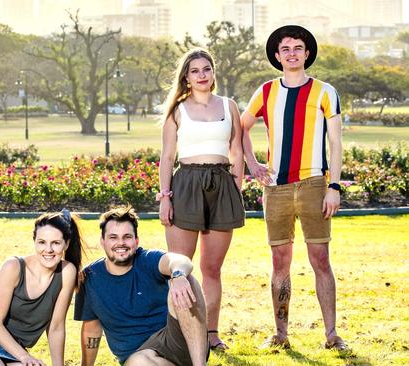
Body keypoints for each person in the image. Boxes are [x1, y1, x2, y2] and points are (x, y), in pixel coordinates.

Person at [241, 25, 349, 351]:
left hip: (315, 184)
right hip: (276, 188)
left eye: (297, 48)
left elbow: (336, 143)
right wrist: (252, 164)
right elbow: (241, 127)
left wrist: (334, 186)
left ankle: (331, 334)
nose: (291, 53)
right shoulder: (265, 92)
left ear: (306, 53)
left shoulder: (325, 92)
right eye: (285, 48)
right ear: (277, 55)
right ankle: (281, 334)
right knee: (280, 262)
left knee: (321, 259)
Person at [157, 48, 245, 351]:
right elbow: (167, 157)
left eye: (206, 69)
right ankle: (177, 332)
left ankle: (210, 333)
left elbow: (237, 149)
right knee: (180, 267)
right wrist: (165, 198)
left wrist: (236, 184)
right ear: (186, 76)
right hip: (186, 185)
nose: (202, 75)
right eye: (195, 70)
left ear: (213, 72)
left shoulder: (229, 105)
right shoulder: (177, 110)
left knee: (212, 268)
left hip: (222, 184)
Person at [75, 206, 208, 366]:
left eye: (127, 237)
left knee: (187, 280)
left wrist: (178, 275)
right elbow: (92, 329)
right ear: (102, 241)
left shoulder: (147, 259)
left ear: (136, 241)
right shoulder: (89, 278)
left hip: (175, 339)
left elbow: (179, 260)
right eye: (113, 237)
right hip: (138, 356)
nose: (121, 243)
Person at [0, 210, 83, 366]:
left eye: (56, 243)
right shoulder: (13, 267)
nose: (48, 249)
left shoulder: (67, 272)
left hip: (13, 350)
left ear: (66, 243)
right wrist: (25, 357)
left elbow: (56, 327)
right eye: (42, 242)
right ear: (34, 241)